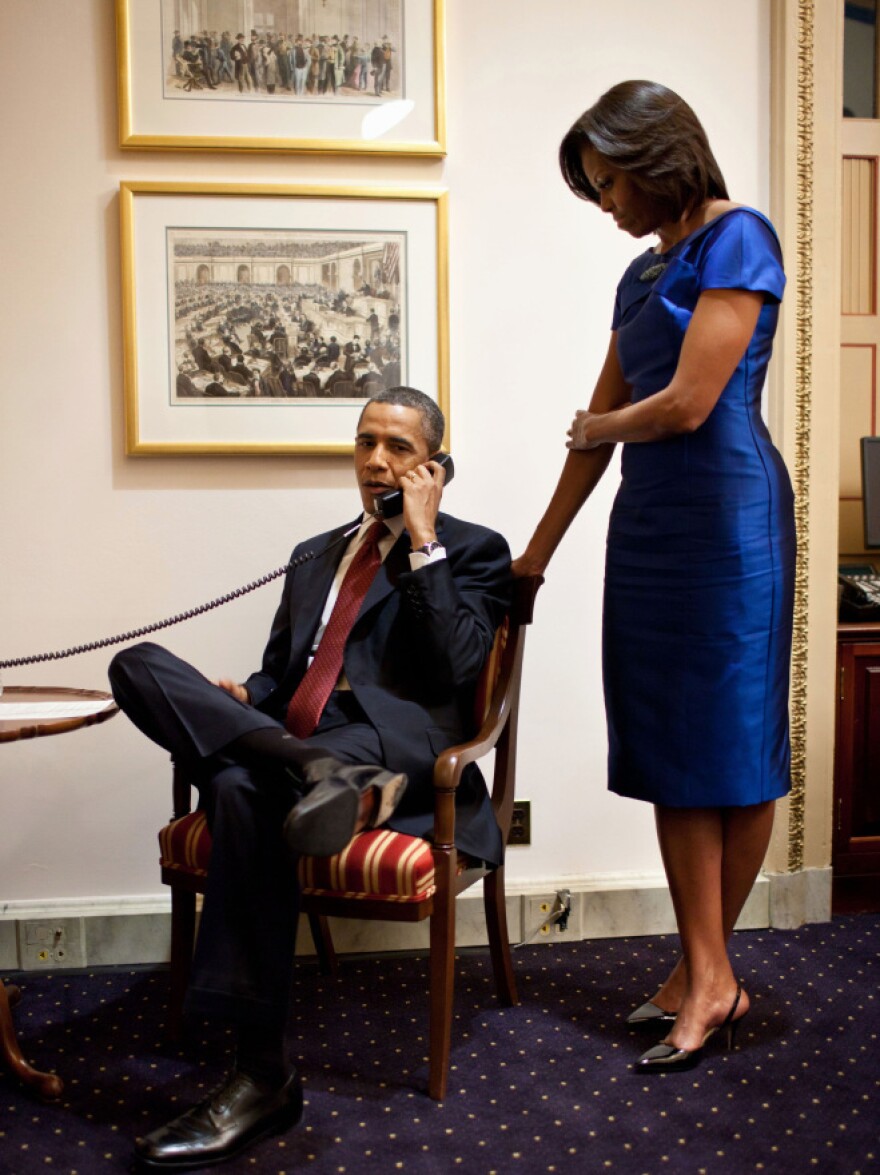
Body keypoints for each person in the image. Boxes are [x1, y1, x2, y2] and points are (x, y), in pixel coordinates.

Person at [109, 386, 511, 1168]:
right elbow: (277, 676)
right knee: (138, 665)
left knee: (233, 792)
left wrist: (421, 540)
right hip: (309, 742)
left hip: (392, 745)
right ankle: (309, 768)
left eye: (397, 446)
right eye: (365, 442)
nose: (375, 460)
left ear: (433, 464)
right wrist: (244, 703)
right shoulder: (314, 553)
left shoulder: (473, 548)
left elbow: (461, 672)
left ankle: (259, 1072)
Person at [512, 80, 795, 1074]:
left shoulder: (738, 238)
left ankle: (710, 974)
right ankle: (699, 969)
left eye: (608, 182)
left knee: (731, 743)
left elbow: (682, 404)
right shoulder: (640, 277)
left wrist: (599, 424)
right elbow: (593, 433)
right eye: (591, 189)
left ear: (654, 154)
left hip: (729, 520)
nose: (603, 205)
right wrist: (536, 552)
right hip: (649, 527)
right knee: (670, 741)